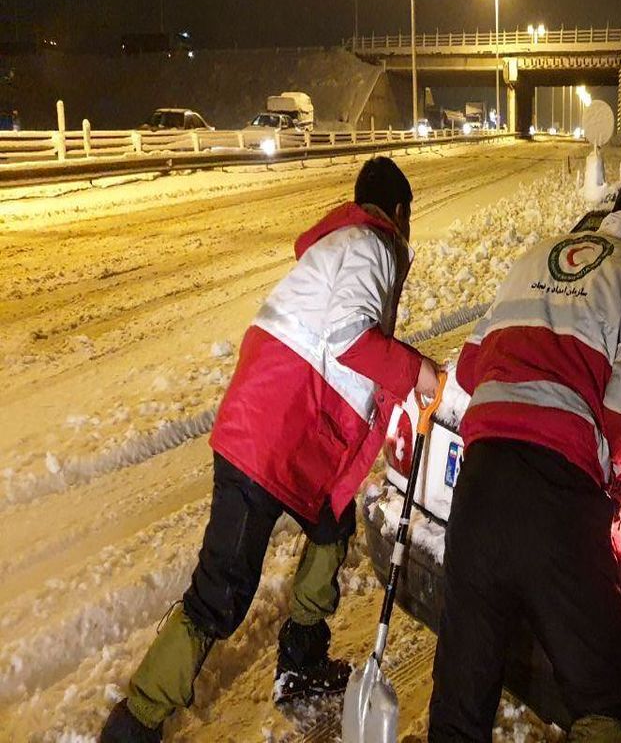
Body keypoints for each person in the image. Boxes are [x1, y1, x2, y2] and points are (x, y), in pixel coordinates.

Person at [101, 157, 440, 742]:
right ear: (400, 212)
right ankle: (138, 719)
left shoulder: (341, 246)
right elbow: (351, 338)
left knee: (332, 527)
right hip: (266, 438)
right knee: (222, 590)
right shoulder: (372, 246)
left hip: (291, 431)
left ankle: (302, 661)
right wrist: (418, 371)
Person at [429, 168, 621, 742]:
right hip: (558, 500)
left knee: (460, 707)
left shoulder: (535, 257)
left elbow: (470, 369)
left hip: (478, 490)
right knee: (604, 699)